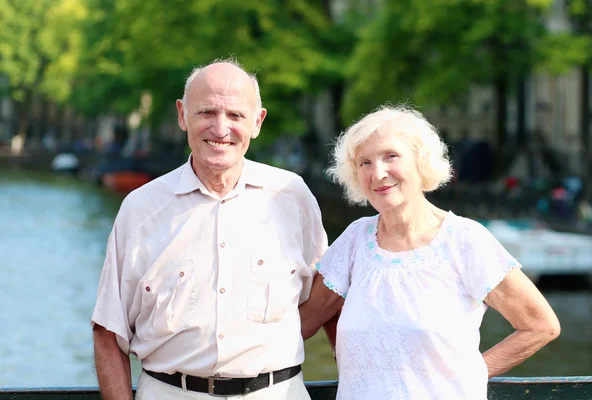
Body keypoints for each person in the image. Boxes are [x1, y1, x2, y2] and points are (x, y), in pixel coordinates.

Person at [91, 60, 328, 399]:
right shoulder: (140, 209)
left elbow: (327, 297)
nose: (220, 129)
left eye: (235, 116)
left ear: (257, 122)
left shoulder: (292, 197)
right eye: (206, 113)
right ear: (182, 115)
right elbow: (107, 331)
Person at [300, 105, 560, 400]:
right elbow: (305, 322)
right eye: (365, 163)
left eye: (391, 156)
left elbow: (540, 326)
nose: (378, 173)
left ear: (420, 161)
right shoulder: (354, 240)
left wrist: (467, 375)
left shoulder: (464, 241)